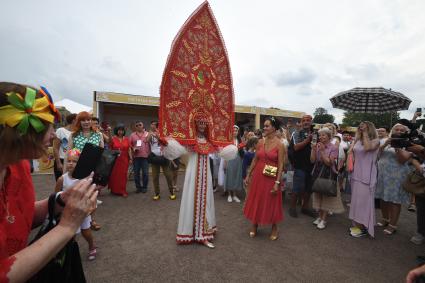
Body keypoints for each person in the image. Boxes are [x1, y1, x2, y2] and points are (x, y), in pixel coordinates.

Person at [0, 82, 97, 282]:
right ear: (21, 129)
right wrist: (66, 227)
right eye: (48, 126)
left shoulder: (19, 167)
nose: (54, 134)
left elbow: (17, 217)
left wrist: (60, 200)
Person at [171, 114, 237, 248]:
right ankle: (191, 232)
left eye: (204, 123)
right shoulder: (190, 139)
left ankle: (203, 233)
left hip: (205, 174)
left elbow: (221, 151)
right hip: (193, 172)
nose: (202, 125)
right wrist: (166, 144)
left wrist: (233, 147)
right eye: (199, 123)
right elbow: (180, 149)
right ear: (195, 124)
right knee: (192, 198)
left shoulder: (209, 140)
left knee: (204, 199)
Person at [243, 117, 285, 240]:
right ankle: (255, 224)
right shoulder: (260, 142)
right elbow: (256, 159)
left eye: (267, 126)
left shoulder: (280, 144)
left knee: (271, 201)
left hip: (271, 176)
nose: (264, 128)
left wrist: (277, 182)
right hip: (258, 176)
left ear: (273, 128)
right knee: (257, 199)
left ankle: (274, 227)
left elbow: (281, 164)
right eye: (264, 126)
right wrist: (248, 174)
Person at [55, 148, 97, 260]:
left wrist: (91, 214)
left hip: (83, 211)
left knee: (86, 232)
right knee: (71, 235)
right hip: (68, 212)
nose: (70, 163)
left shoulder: (85, 179)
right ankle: (69, 254)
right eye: (68, 161)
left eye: (74, 161)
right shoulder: (61, 179)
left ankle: (92, 246)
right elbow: (55, 196)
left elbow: (91, 197)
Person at [68, 111, 104, 230]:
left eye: (88, 119)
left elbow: (102, 154)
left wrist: (101, 172)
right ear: (79, 122)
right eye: (83, 120)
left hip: (92, 171)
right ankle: (76, 219)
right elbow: (69, 155)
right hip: (78, 171)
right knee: (78, 195)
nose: (86, 122)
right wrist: (66, 173)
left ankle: (91, 220)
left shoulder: (98, 135)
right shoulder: (73, 135)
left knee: (92, 197)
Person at [375, 123, 411, 235]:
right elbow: (376, 155)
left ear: (406, 132)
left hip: (397, 176)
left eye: (402, 130)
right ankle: (385, 218)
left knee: (394, 200)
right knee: (382, 197)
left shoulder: (408, 144)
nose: (399, 131)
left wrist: (397, 148)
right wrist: (385, 144)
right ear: (392, 130)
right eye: (397, 129)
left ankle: (393, 225)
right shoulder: (385, 141)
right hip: (382, 174)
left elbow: (402, 160)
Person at [349, 121, 380, 238]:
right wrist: (356, 138)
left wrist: (365, 133)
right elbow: (350, 152)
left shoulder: (376, 141)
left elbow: (367, 148)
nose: (361, 127)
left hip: (367, 176)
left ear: (369, 128)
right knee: (356, 202)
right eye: (360, 126)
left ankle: (364, 227)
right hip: (356, 174)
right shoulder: (357, 140)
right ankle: (357, 225)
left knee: (364, 203)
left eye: (364, 126)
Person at [310, 127, 344, 230]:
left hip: (328, 173)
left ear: (329, 136)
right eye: (320, 135)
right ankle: (319, 217)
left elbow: (329, 163)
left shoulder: (334, 147)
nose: (321, 137)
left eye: (323, 135)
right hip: (317, 172)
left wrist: (323, 151)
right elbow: (312, 161)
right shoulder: (318, 145)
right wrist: (313, 149)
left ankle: (324, 219)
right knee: (318, 195)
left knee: (326, 197)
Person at [289, 115, 316, 218]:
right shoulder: (296, 133)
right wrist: (308, 140)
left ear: (311, 121)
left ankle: (305, 208)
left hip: (311, 165)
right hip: (300, 165)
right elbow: (296, 147)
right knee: (297, 188)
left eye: (308, 120)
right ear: (300, 122)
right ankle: (292, 208)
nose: (306, 122)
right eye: (303, 120)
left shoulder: (315, 134)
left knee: (309, 189)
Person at [147, 121, 175, 200]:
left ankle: (172, 192)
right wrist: (150, 133)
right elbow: (146, 141)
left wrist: (158, 136)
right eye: (151, 124)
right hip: (154, 157)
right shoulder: (149, 133)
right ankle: (157, 193)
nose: (152, 125)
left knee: (168, 175)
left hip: (164, 157)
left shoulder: (163, 133)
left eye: (153, 124)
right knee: (155, 177)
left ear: (157, 126)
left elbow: (166, 143)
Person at [109, 124, 132, 197]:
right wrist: (109, 132)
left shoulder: (127, 139)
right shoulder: (113, 138)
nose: (120, 132)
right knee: (114, 175)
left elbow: (129, 149)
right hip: (115, 159)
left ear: (123, 131)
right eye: (119, 130)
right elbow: (110, 146)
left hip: (124, 159)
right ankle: (114, 190)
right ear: (116, 131)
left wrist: (131, 158)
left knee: (123, 175)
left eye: (122, 130)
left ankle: (122, 190)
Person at [223, 125, 244, 203]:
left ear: (238, 132)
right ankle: (229, 194)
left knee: (236, 176)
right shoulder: (228, 141)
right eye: (233, 130)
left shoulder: (239, 140)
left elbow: (241, 152)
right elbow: (225, 152)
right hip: (229, 160)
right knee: (229, 176)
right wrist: (225, 162)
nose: (235, 132)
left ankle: (234, 195)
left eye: (236, 131)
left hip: (238, 160)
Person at [53, 113, 76, 180]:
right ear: (74, 120)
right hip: (61, 159)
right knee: (61, 182)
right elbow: (55, 148)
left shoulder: (77, 132)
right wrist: (58, 163)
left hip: (73, 161)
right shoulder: (60, 130)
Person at [129, 121, 150, 193]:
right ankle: (138, 188)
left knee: (145, 173)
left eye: (140, 125)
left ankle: (144, 187)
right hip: (136, 157)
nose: (138, 126)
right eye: (137, 125)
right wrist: (133, 148)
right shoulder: (132, 135)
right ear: (135, 127)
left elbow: (151, 143)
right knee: (136, 174)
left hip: (145, 157)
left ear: (143, 125)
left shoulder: (147, 134)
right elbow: (130, 145)